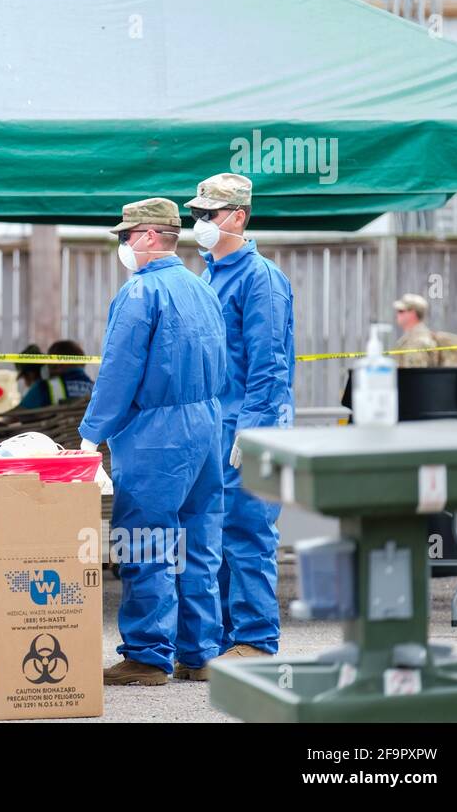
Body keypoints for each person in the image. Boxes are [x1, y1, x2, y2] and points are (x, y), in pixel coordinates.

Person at [79, 198, 226, 687]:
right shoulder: (202, 289)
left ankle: (146, 656)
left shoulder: (139, 294)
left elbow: (119, 374)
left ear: (146, 236)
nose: (122, 245)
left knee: (147, 541)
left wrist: (89, 437)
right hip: (206, 424)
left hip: (155, 435)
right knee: (199, 541)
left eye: (125, 235)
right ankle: (201, 653)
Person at [188, 173, 295, 666]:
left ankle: (255, 641)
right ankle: (234, 639)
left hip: (253, 425)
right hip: (220, 424)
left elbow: (269, 363)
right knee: (224, 531)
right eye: (198, 214)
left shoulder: (260, 278)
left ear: (238, 216)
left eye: (209, 214)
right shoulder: (213, 274)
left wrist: (252, 429)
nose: (201, 223)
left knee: (249, 531)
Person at [393, 293, 446, 368]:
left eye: (401, 311)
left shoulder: (417, 341)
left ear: (413, 313)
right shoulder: (412, 338)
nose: (397, 314)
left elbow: (415, 375)